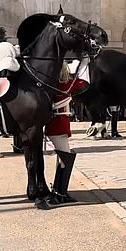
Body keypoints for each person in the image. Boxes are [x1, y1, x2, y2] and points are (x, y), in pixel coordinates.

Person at [45, 61, 89, 205]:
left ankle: (59, 190)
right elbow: (83, 82)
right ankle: (60, 193)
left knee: (63, 159)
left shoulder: (51, 85)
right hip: (59, 125)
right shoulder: (65, 85)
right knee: (66, 159)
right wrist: (84, 64)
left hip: (54, 125)